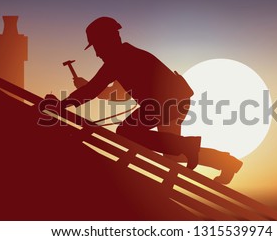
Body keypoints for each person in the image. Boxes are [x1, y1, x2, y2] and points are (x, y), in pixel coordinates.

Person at [61, 17, 201, 169]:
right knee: (130, 131)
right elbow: (96, 89)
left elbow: (93, 89)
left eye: (97, 46)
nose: (97, 54)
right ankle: (187, 146)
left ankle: (187, 146)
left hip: (170, 101)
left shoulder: (119, 59)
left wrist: (62, 104)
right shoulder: (125, 55)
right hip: (170, 101)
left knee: (127, 131)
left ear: (108, 40)